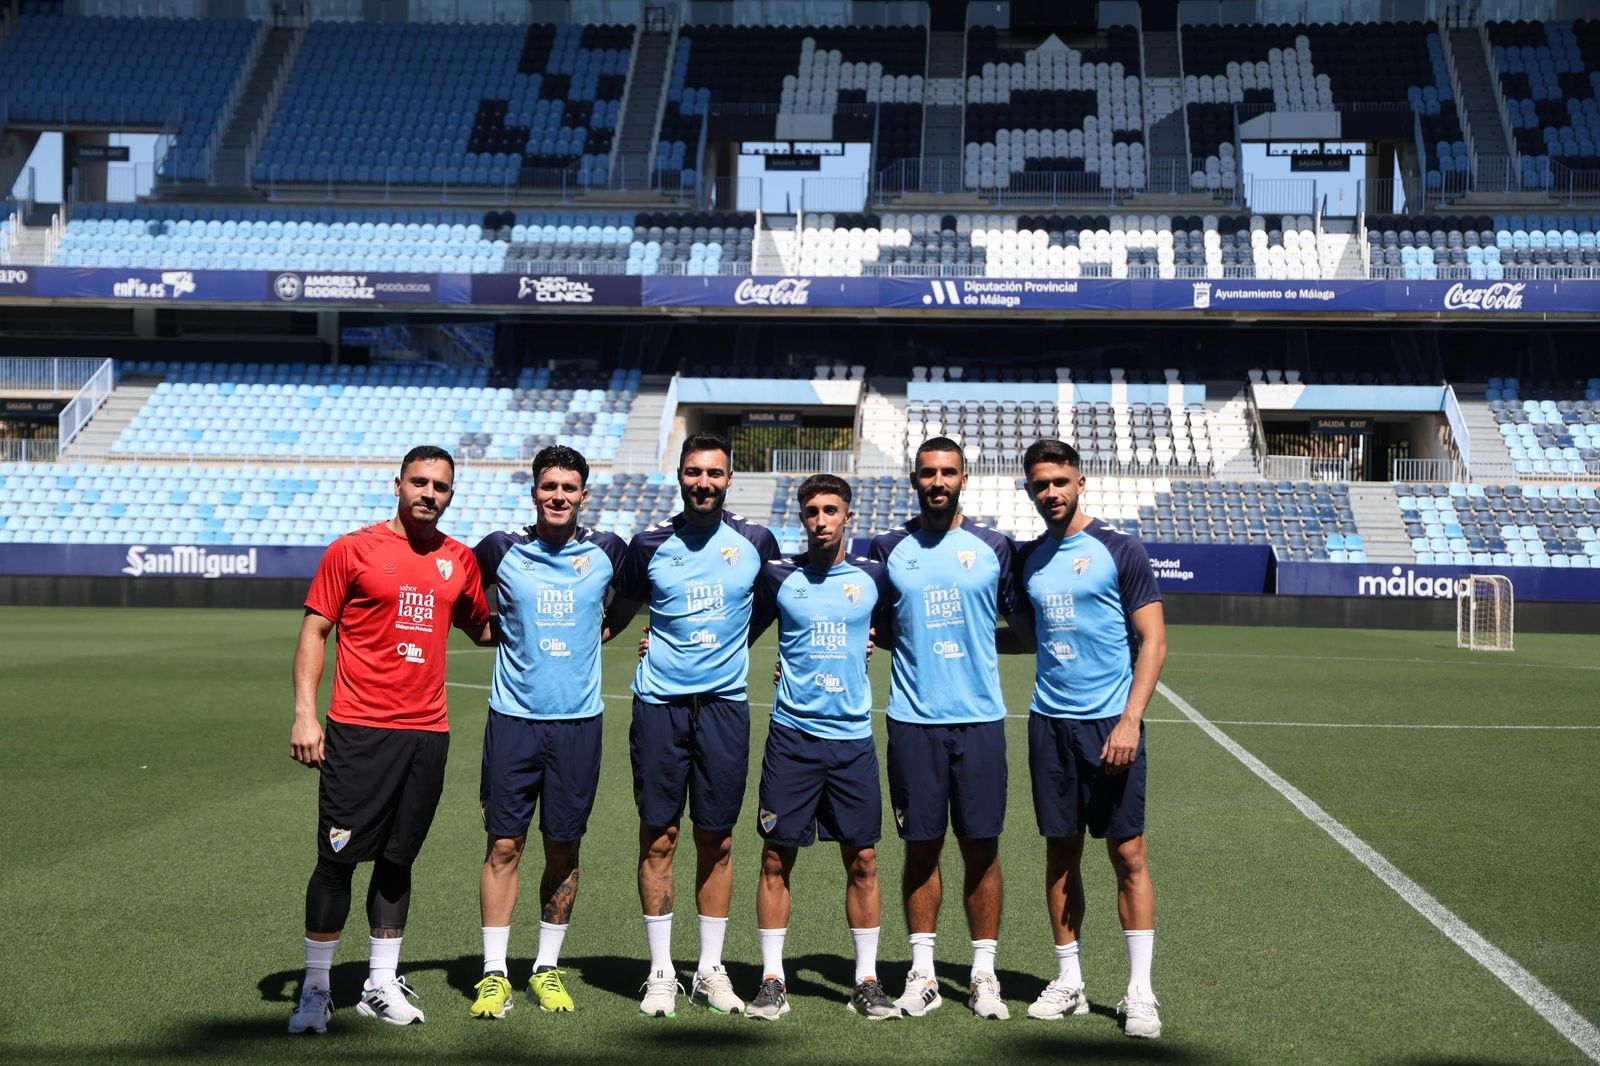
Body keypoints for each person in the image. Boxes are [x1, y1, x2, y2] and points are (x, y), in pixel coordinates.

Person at [287, 445, 492, 1034]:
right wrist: (305, 715)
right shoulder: (352, 550)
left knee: (399, 860)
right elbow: (315, 631)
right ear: (397, 484)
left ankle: (380, 982)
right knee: (337, 860)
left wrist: (565, 622)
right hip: (359, 731)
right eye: (419, 482)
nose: (429, 494)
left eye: (440, 486)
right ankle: (315, 989)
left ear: (451, 494)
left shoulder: (458, 559)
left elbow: (482, 629)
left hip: (427, 734)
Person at [604, 431, 779, 1017]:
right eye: (693, 472)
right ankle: (661, 971)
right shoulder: (647, 544)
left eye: (714, 473)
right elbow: (617, 615)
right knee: (659, 836)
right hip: (660, 707)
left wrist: (736, 646)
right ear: (679, 476)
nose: (703, 483)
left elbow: (774, 605)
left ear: (729, 479)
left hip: (724, 707)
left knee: (718, 839)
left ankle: (709, 969)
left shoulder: (756, 541)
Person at [1005, 438, 1167, 1039]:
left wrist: (1130, 719)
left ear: (1080, 482)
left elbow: (1154, 641)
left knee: (1128, 854)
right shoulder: (1028, 560)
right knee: (1060, 852)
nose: (1051, 492)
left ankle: (1140, 991)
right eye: (1040, 484)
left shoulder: (1120, 549)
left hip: (1110, 724)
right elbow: (1028, 638)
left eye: (1060, 481)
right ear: (1029, 490)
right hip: (1049, 724)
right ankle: (1069, 980)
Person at [468, 445, 626, 1019]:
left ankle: (545, 968)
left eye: (569, 487)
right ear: (534, 491)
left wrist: (610, 629)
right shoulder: (500, 548)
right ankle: (493, 973)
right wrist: (490, 632)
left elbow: (635, 597)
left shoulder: (608, 550)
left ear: (584, 494)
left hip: (578, 724)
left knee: (563, 847)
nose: (558, 496)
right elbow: (461, 599)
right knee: (504, 845)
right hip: (513, 720)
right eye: (549, 486)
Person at [870, 436, 1022, 1020]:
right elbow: (873, 625)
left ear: (964, 479)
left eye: (948, 472)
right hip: (914, 721)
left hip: (980, 720)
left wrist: (978, 644)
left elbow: (1023, 626)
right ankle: (924, 973)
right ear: (914, 480)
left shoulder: (994, 546)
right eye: (928, 473)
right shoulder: (888, 547)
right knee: (921, 845)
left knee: (981, 848)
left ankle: (983, 975)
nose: (938, 481)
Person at [742, 474, 903, 1022]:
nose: (821, 520)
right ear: (802, 518)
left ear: (848, 516)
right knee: (775, 857)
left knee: (863, 859)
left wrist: (871, 642)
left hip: (852, 741)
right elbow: (737, 631)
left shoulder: (873, 576)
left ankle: (866, 981)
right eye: (812, 511)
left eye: (831, 510)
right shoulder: (778, 576)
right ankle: (771, 980)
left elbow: (899, 631)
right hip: (791, 739)